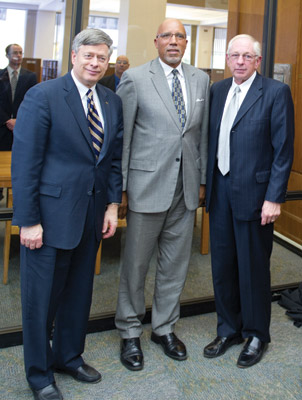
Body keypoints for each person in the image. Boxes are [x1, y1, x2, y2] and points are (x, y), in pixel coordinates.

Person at [11, 28, 123, 400]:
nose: (95, 63)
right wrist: (27, 220)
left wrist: (111, 206)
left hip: (90, 216)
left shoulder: (110, 101)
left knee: (79, 295)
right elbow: (25, 164)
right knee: (40, 302)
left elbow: (112, 160)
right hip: (47, 219)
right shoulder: (42, 96)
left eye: (102, 57)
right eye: (88, 55)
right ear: (73, 55)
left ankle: (69, 357)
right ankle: (40, 375)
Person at [115, 18, 210, 371]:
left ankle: (164, 328)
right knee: (135, 265)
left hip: (184, 190)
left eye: (180, 37)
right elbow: (122, 139)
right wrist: (120, 188)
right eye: (167, 36)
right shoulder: (136, 79)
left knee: (175, 265)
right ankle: (128, 332)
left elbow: (200, 137)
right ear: (156, 41)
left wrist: (200, 182)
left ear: (187, 44)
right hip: (145, 188)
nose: (174, 41)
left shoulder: (200, 79)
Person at [204, 34, 294, 368]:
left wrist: (274, 197)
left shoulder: (275, 92)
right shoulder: (218, 90)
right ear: (227, 59)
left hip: (256, 197)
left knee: (253, 268)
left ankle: (257, 334)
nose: (239, 62)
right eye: (234, 56)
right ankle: (228, 329)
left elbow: (283, 151)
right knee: (222, 266)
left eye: (247, 56)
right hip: (220, 191)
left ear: (257, 61)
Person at [0, 44, 37, 150]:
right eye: (15, 53)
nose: (19, 55)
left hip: (22, 124)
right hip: (2, 126)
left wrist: (19, 120)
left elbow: (32, 102)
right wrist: (7, 120)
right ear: (7, 55)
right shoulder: (1, 75)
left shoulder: (30, 77)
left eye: (21, 53)